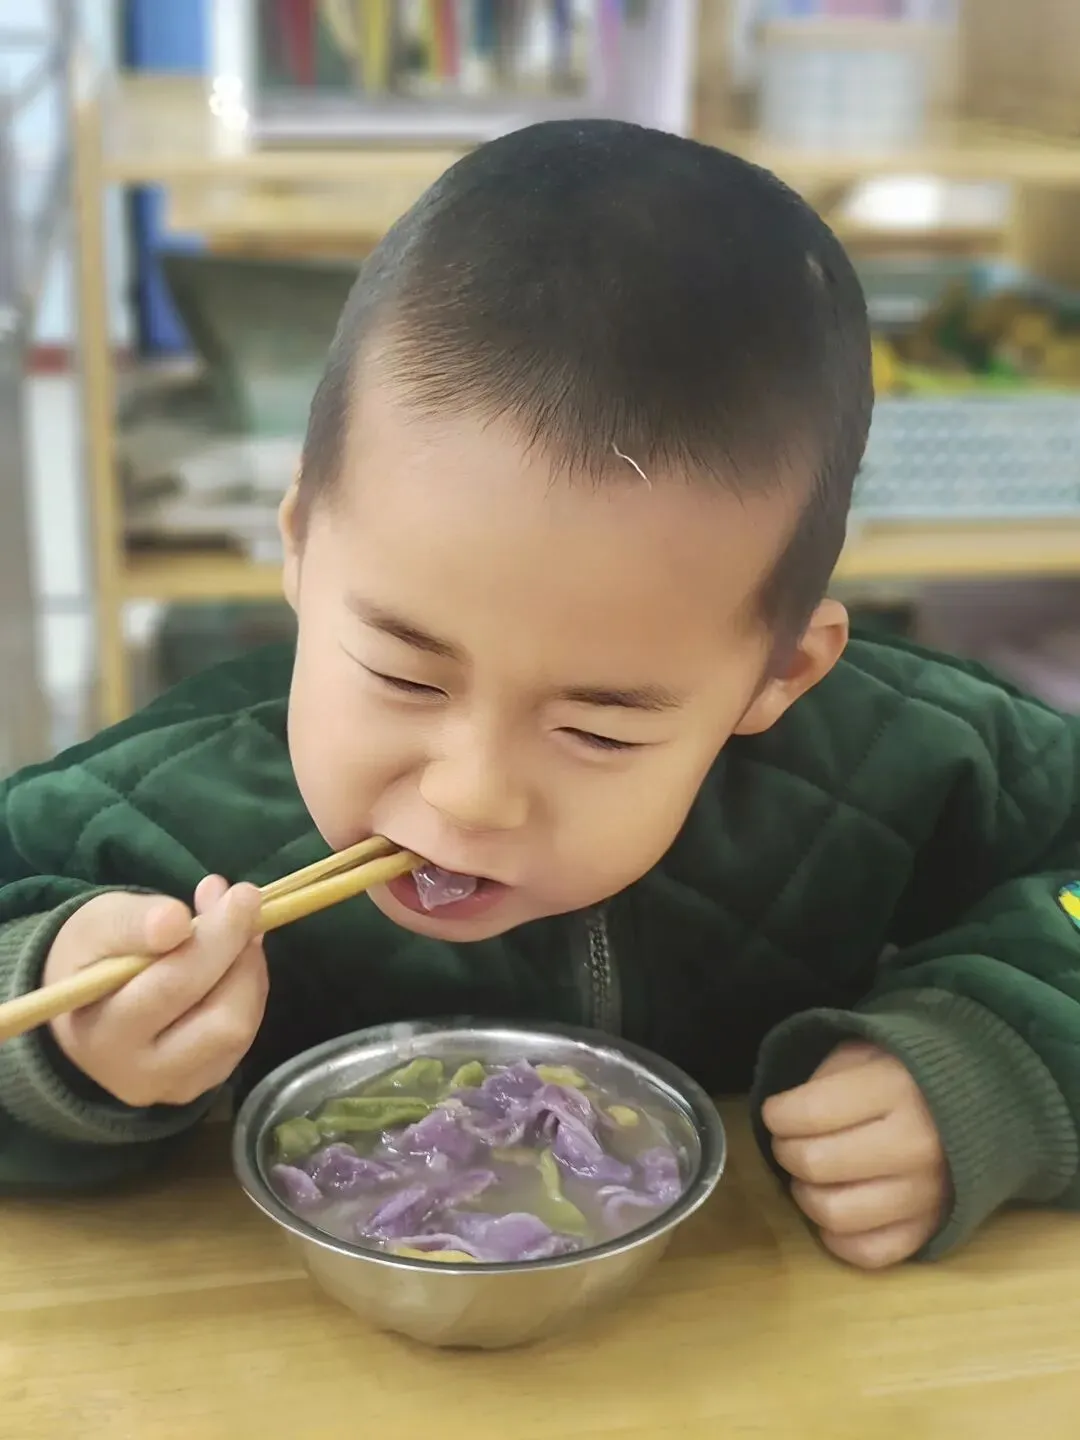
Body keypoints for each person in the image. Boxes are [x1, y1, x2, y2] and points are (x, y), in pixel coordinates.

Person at [1, 121, 1078, 1269]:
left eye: (598, 727)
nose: (470, 796)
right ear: (302, 542)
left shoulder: (912, 753)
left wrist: (1001, 1058)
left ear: (780, 674)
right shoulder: (159, 808)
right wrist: (57, 1042)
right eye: (406, 674)